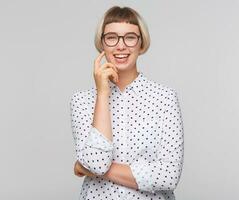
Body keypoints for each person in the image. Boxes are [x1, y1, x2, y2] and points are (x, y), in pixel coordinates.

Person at [69, 5, 184, 200]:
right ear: (102, 44)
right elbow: (96, 163)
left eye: (130, 37)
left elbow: (168, 176)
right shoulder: (81, 101)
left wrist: (84, 167)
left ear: (141, 44)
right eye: (112, 38)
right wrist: (103, 94)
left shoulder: (165, 98)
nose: (120, 46)